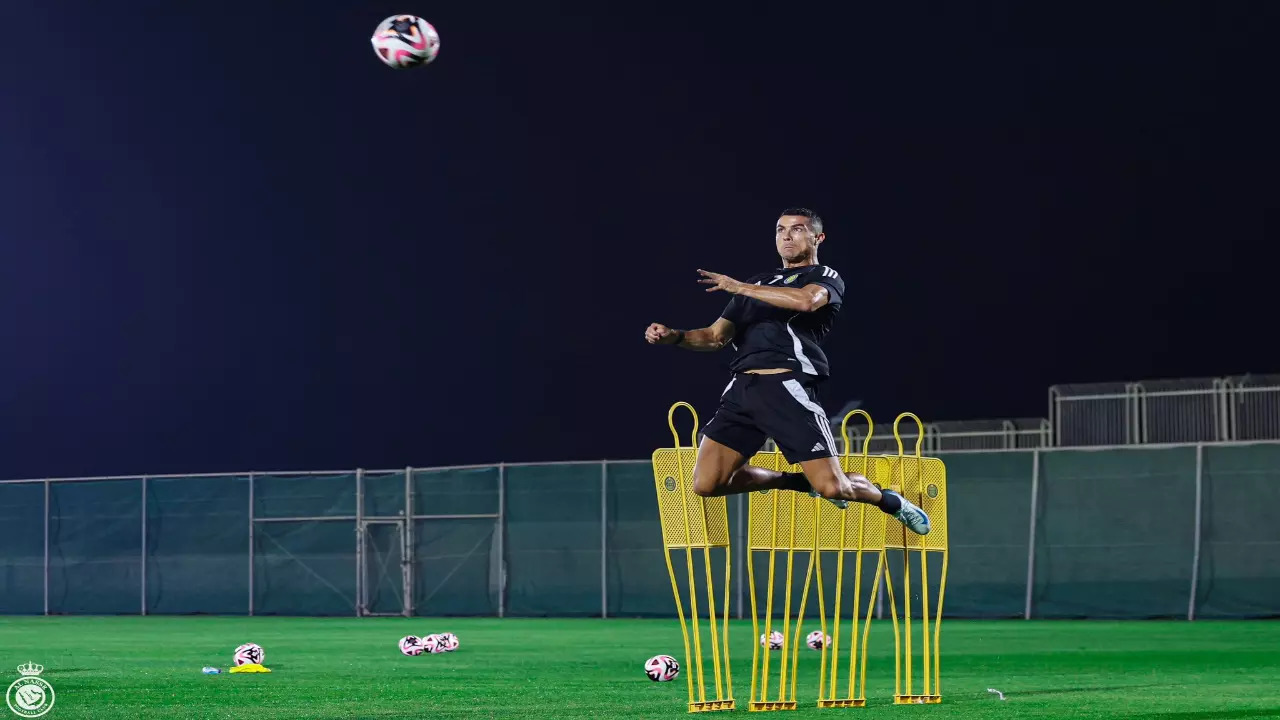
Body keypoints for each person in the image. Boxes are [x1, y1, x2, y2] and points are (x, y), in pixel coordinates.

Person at [644, 207, 929, 535]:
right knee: (707, 483)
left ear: (817, 237)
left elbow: (807, 302)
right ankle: (795, 482)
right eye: (780, 230)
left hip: (786, 386)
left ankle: (890, 501)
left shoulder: (824, 277)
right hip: (742, 390)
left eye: (796, 229)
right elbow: (714, 337)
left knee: (834, 488)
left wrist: (741, 288)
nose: (786, 236)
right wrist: (674, 337)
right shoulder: (754, 284)